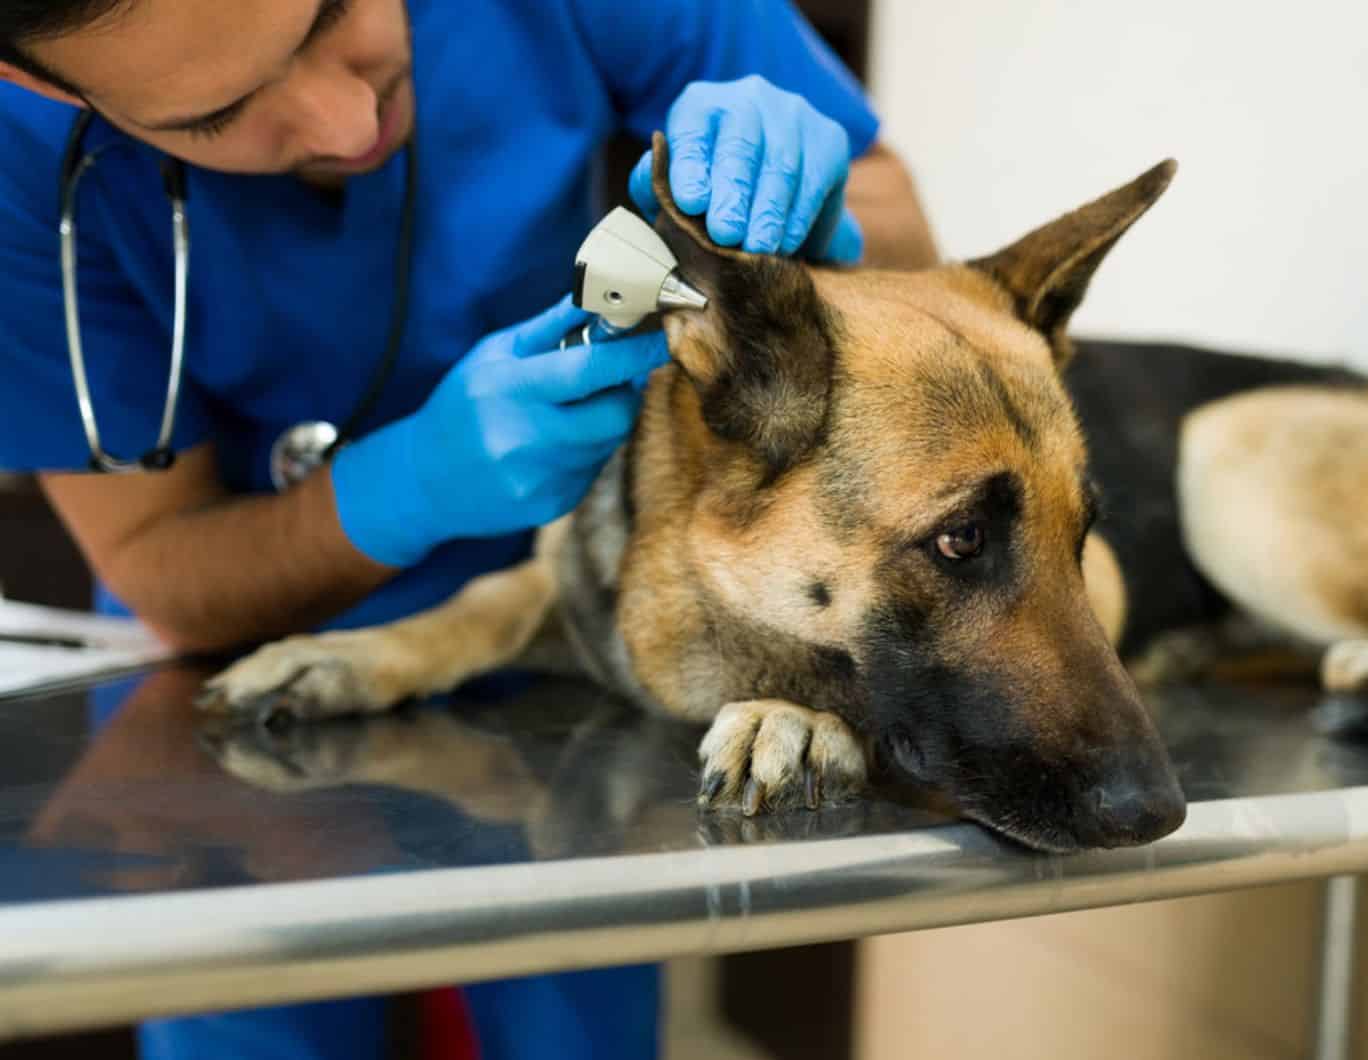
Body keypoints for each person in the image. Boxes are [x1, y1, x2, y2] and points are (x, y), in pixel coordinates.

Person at [0, 0, 938, 1056]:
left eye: (333, 10)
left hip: (570, 644)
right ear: (42, 87)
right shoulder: (17, 161)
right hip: (246, 700)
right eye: (217, 117)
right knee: (252, 1014)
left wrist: (828, 237)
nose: (348, 121)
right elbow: (159, 567)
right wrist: (400, 489)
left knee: (575, 1019)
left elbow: (897, 220)